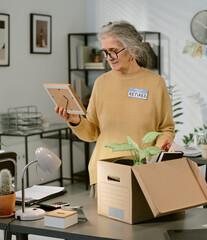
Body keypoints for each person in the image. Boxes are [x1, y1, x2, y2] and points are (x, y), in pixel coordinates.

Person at [55, 21, 175, 197]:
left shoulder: (155, 83)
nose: (109, 57)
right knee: (102, 225)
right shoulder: (101, 83)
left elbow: (166, 128)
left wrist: (159, 148)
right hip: (104, 174)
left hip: (142, 172)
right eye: (105, 52)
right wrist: (76, 121)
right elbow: (93, 133)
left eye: (114, 51)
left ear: (132, 49)